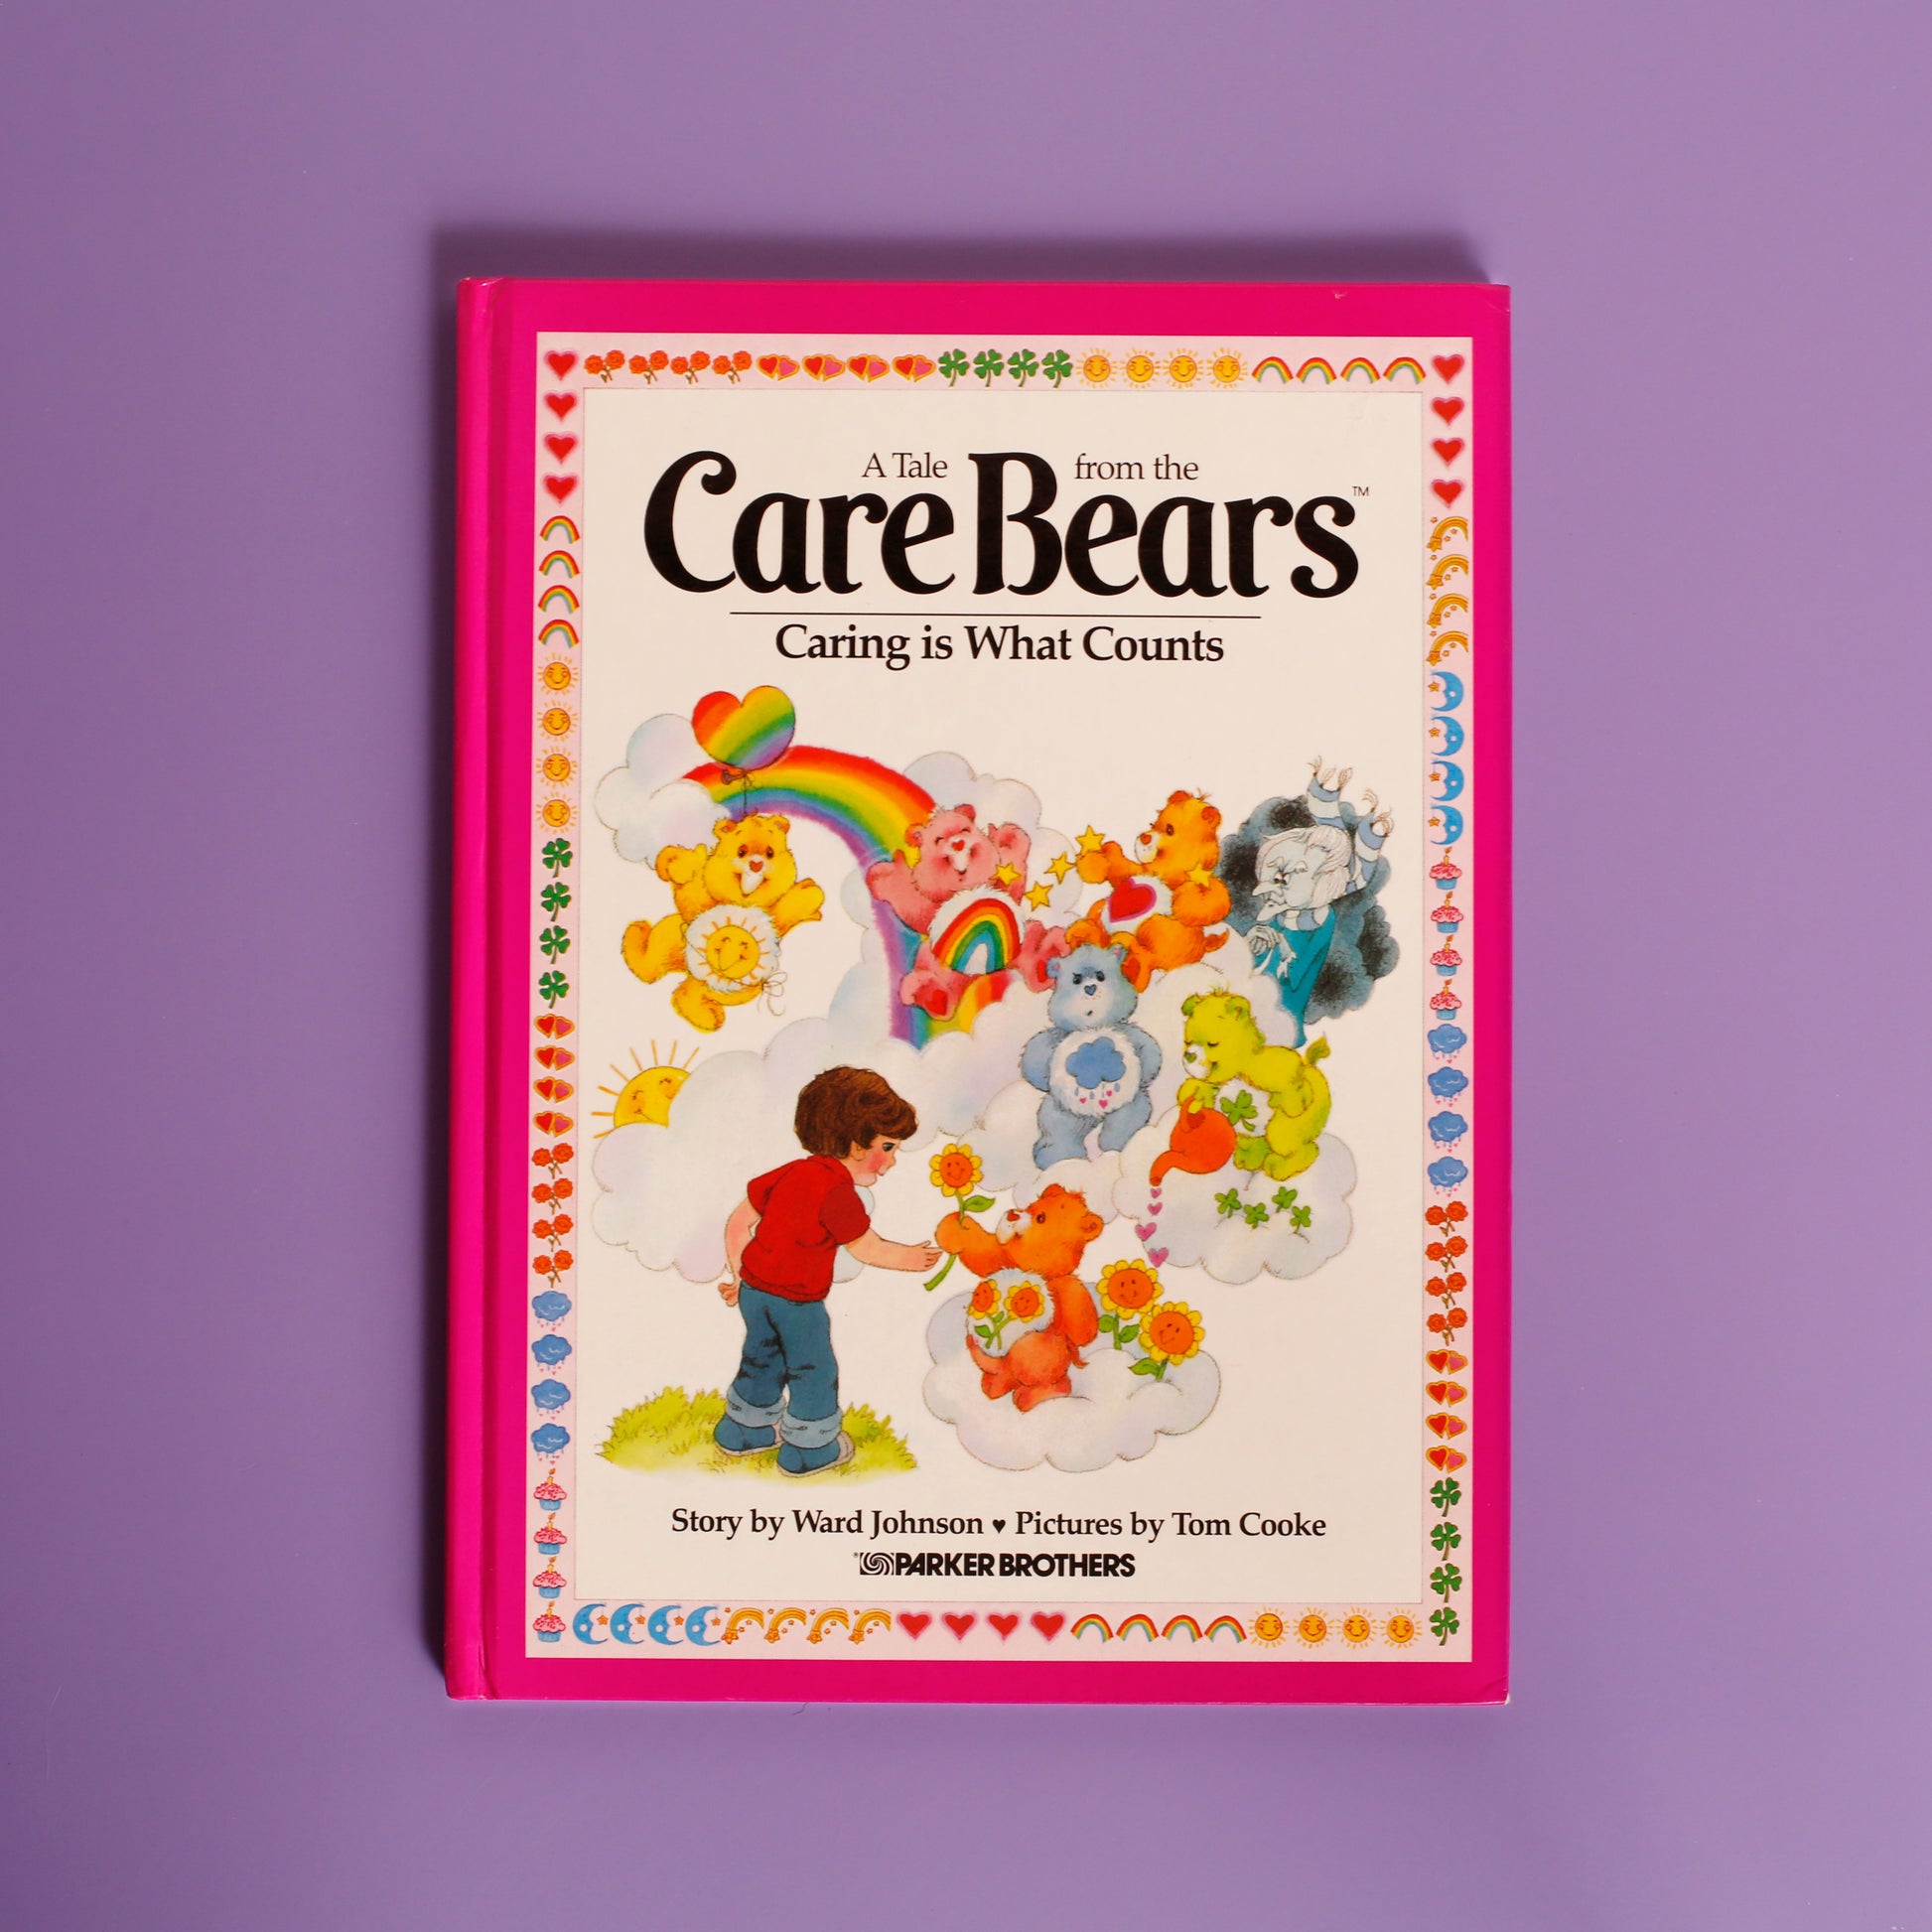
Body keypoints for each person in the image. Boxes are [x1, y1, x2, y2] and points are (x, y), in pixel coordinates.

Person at [713, 1066, 941, 1474]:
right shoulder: (836, 1192)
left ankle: (743, 1431)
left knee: (762, 1358)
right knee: (812, 1369)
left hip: (755, 1294)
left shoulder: (790, 1172)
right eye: (888, 1147)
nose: (892, 1161)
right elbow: (867, 1248)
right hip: (797, 1304)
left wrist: (738, 1276)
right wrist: (911, 1258)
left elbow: (737, 1224)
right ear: (855, 1144)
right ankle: (809, 1449)